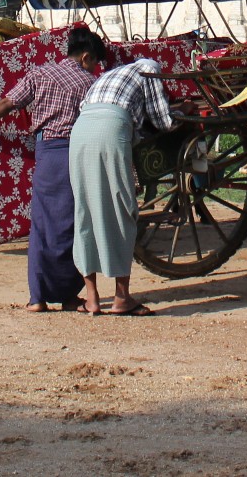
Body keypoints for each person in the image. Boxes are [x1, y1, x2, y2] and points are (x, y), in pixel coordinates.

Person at [0, 26, 109, 312]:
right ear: (86, 57)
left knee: (43, 226)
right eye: (95, 62)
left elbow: (5, 104)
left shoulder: (40, 73)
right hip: (77, 153)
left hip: (48, 154)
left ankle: (37, 297)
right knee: (73, 225)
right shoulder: (91, 83)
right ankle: (70, 295)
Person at [70, 56, 179, 316]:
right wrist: (182, 112)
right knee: (120, 207)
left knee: (84, 210)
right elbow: (164, 121)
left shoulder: (110, 74)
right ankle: (121, 298)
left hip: (80, 131)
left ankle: (93, 299)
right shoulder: (150, 68)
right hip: (111, 129)